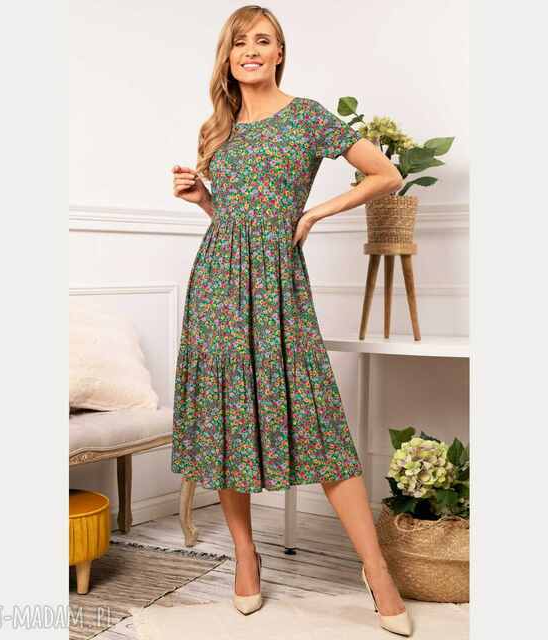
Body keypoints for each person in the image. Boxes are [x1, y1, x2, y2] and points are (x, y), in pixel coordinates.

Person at [170, 5, 412, 636]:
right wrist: (203, 199)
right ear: (227, 56)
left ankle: (376, 570)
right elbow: (231, 218)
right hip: (216, 287)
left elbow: (385, 174)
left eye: (263, 40)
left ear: (279, 52)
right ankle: (245, 557)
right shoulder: (216, 129)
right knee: (226, 420)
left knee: (316, 420)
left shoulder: (307, 116)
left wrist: (315, 213)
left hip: (280, 286)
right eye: (239, 42)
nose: (250, 50)